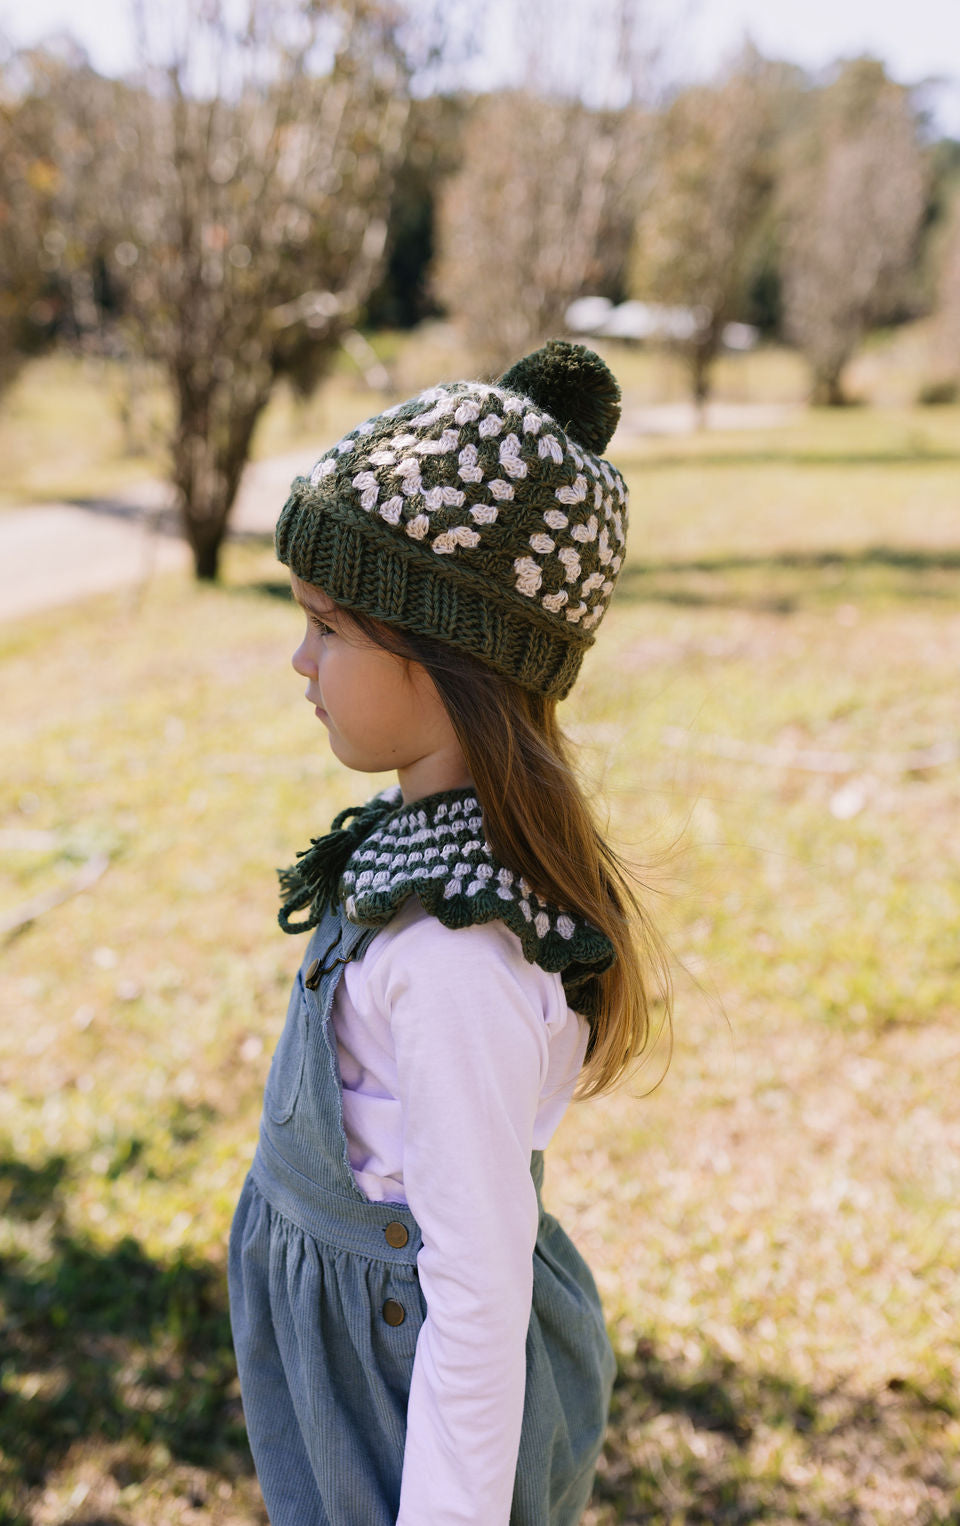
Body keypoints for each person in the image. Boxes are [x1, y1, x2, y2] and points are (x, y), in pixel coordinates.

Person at [228, 339, 665, 1526]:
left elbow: (473, 1296)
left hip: (403, 1395)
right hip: (352, 1363)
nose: (299, 657)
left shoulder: (456, 956)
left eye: (330, 624)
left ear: (448, 654)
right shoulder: (417, 846)